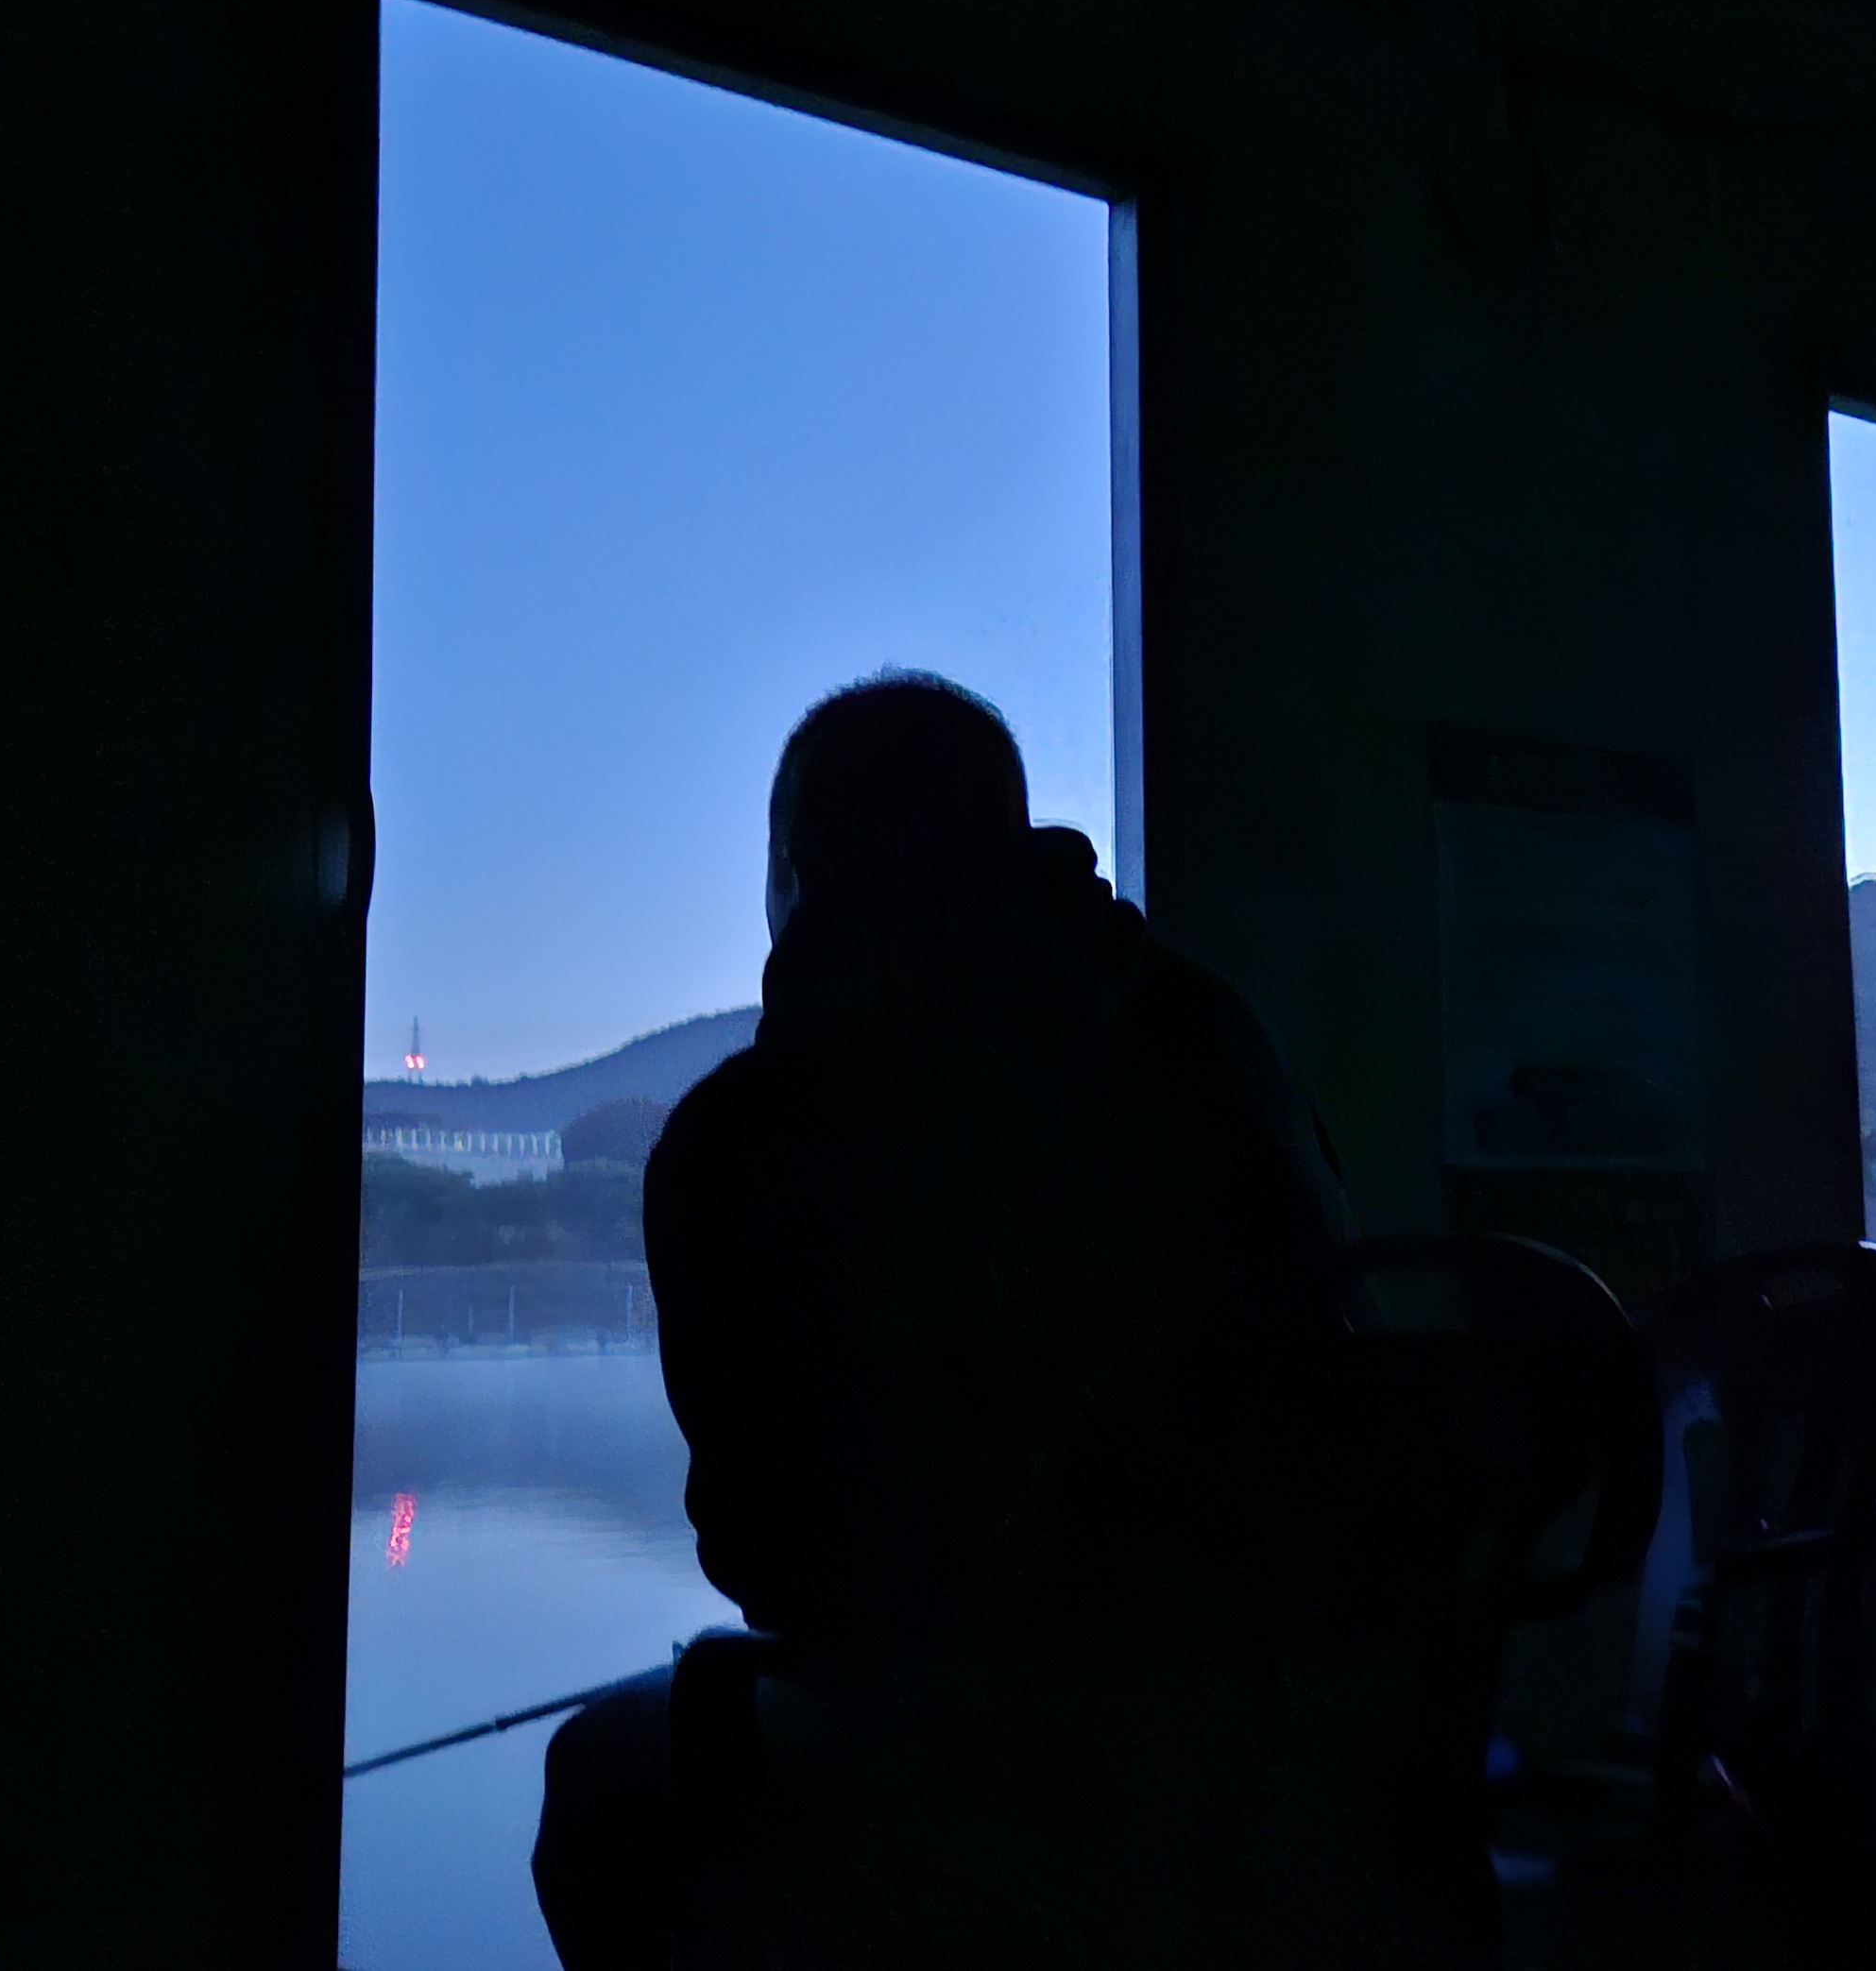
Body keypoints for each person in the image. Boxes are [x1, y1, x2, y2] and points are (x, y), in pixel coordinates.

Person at [536, 672, 1388, 1970]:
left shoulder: (744, 1139)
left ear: (795, 871)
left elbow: (765, 1546)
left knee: (602, 1780)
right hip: (1301, 1704)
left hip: (995, 1758)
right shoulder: (1207, 1032)